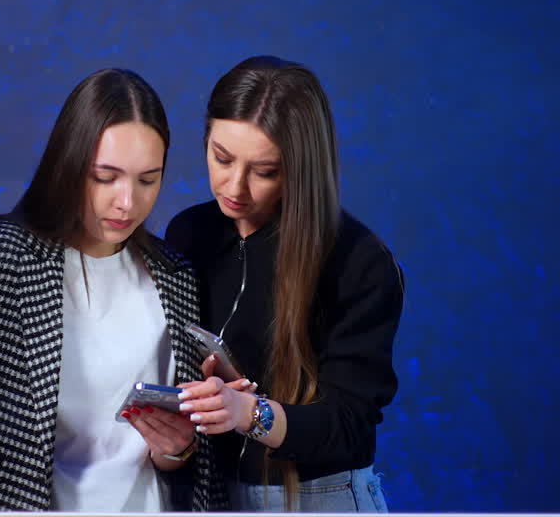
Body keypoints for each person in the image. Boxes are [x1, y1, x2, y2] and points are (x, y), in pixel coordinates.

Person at [0, 68, 228, 511]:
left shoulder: (176, 277)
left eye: (147, 179)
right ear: (69, 163)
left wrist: (176, 451)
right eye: (105, 176)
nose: (127, 202)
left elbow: (193, 464)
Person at [166, 56, 404, 512]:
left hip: (317, 497)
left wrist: (249, 415)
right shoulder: (189, 232)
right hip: (207, 495)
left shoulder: (359, 260)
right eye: (221, 158)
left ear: (301, 167)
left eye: (265, 171)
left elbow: (350, 426)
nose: (234, 186)